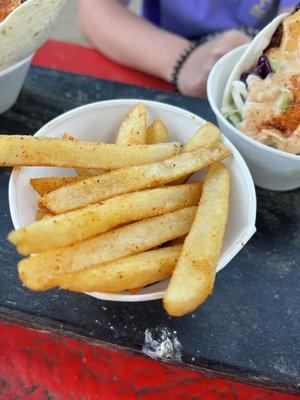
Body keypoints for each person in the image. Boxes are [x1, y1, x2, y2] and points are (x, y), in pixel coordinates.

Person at [78, 0, 296, 98]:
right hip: (154, 54)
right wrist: (181, 60)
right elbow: (94, 9)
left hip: (263, 67)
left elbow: (293, 22)